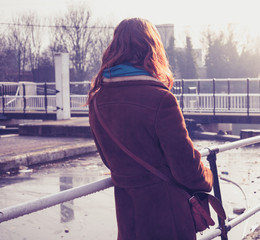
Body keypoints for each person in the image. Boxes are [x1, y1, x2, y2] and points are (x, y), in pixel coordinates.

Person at [87, 18, 213, 240]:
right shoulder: (161, 99)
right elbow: (186, 169)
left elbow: (109, 160)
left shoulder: (97, 101)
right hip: (168, 218)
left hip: (129, 219)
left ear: (114, 49)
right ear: (151, 49)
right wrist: (208, 176)